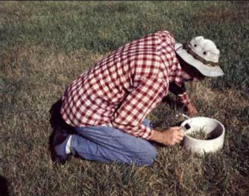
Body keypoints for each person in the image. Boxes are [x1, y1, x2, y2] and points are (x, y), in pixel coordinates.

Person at [50, 30, 224, 166]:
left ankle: (78, 132)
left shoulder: (164, 39)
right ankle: (69, 142)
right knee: (146, 154)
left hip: (80, 95)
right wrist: (161, 136)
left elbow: (176, 75)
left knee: (145, 126)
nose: (199, 80)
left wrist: (187, 103)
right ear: (190, 67)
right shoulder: (156, 79)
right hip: (84, 112)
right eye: (201, 74)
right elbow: (123, 122)